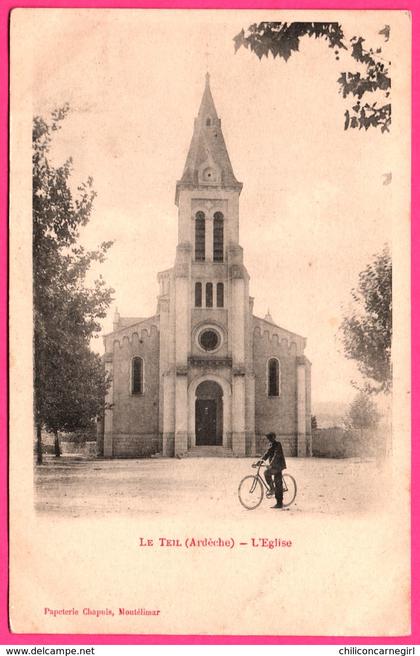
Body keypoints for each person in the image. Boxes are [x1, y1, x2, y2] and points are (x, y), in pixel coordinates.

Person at [260, 432, 287, 509]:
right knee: (267, 474)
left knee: (277, 482)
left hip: (278, 466)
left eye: (270, 438)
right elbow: (267, 454)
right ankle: (272, 488)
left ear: (274, 438)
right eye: (268, 438)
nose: (269, 440)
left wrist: (271, 464)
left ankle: (279, 503)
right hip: (274, 466)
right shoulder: (271, 445)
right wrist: (259, 461)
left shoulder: (278, 444)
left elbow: (276, 455)